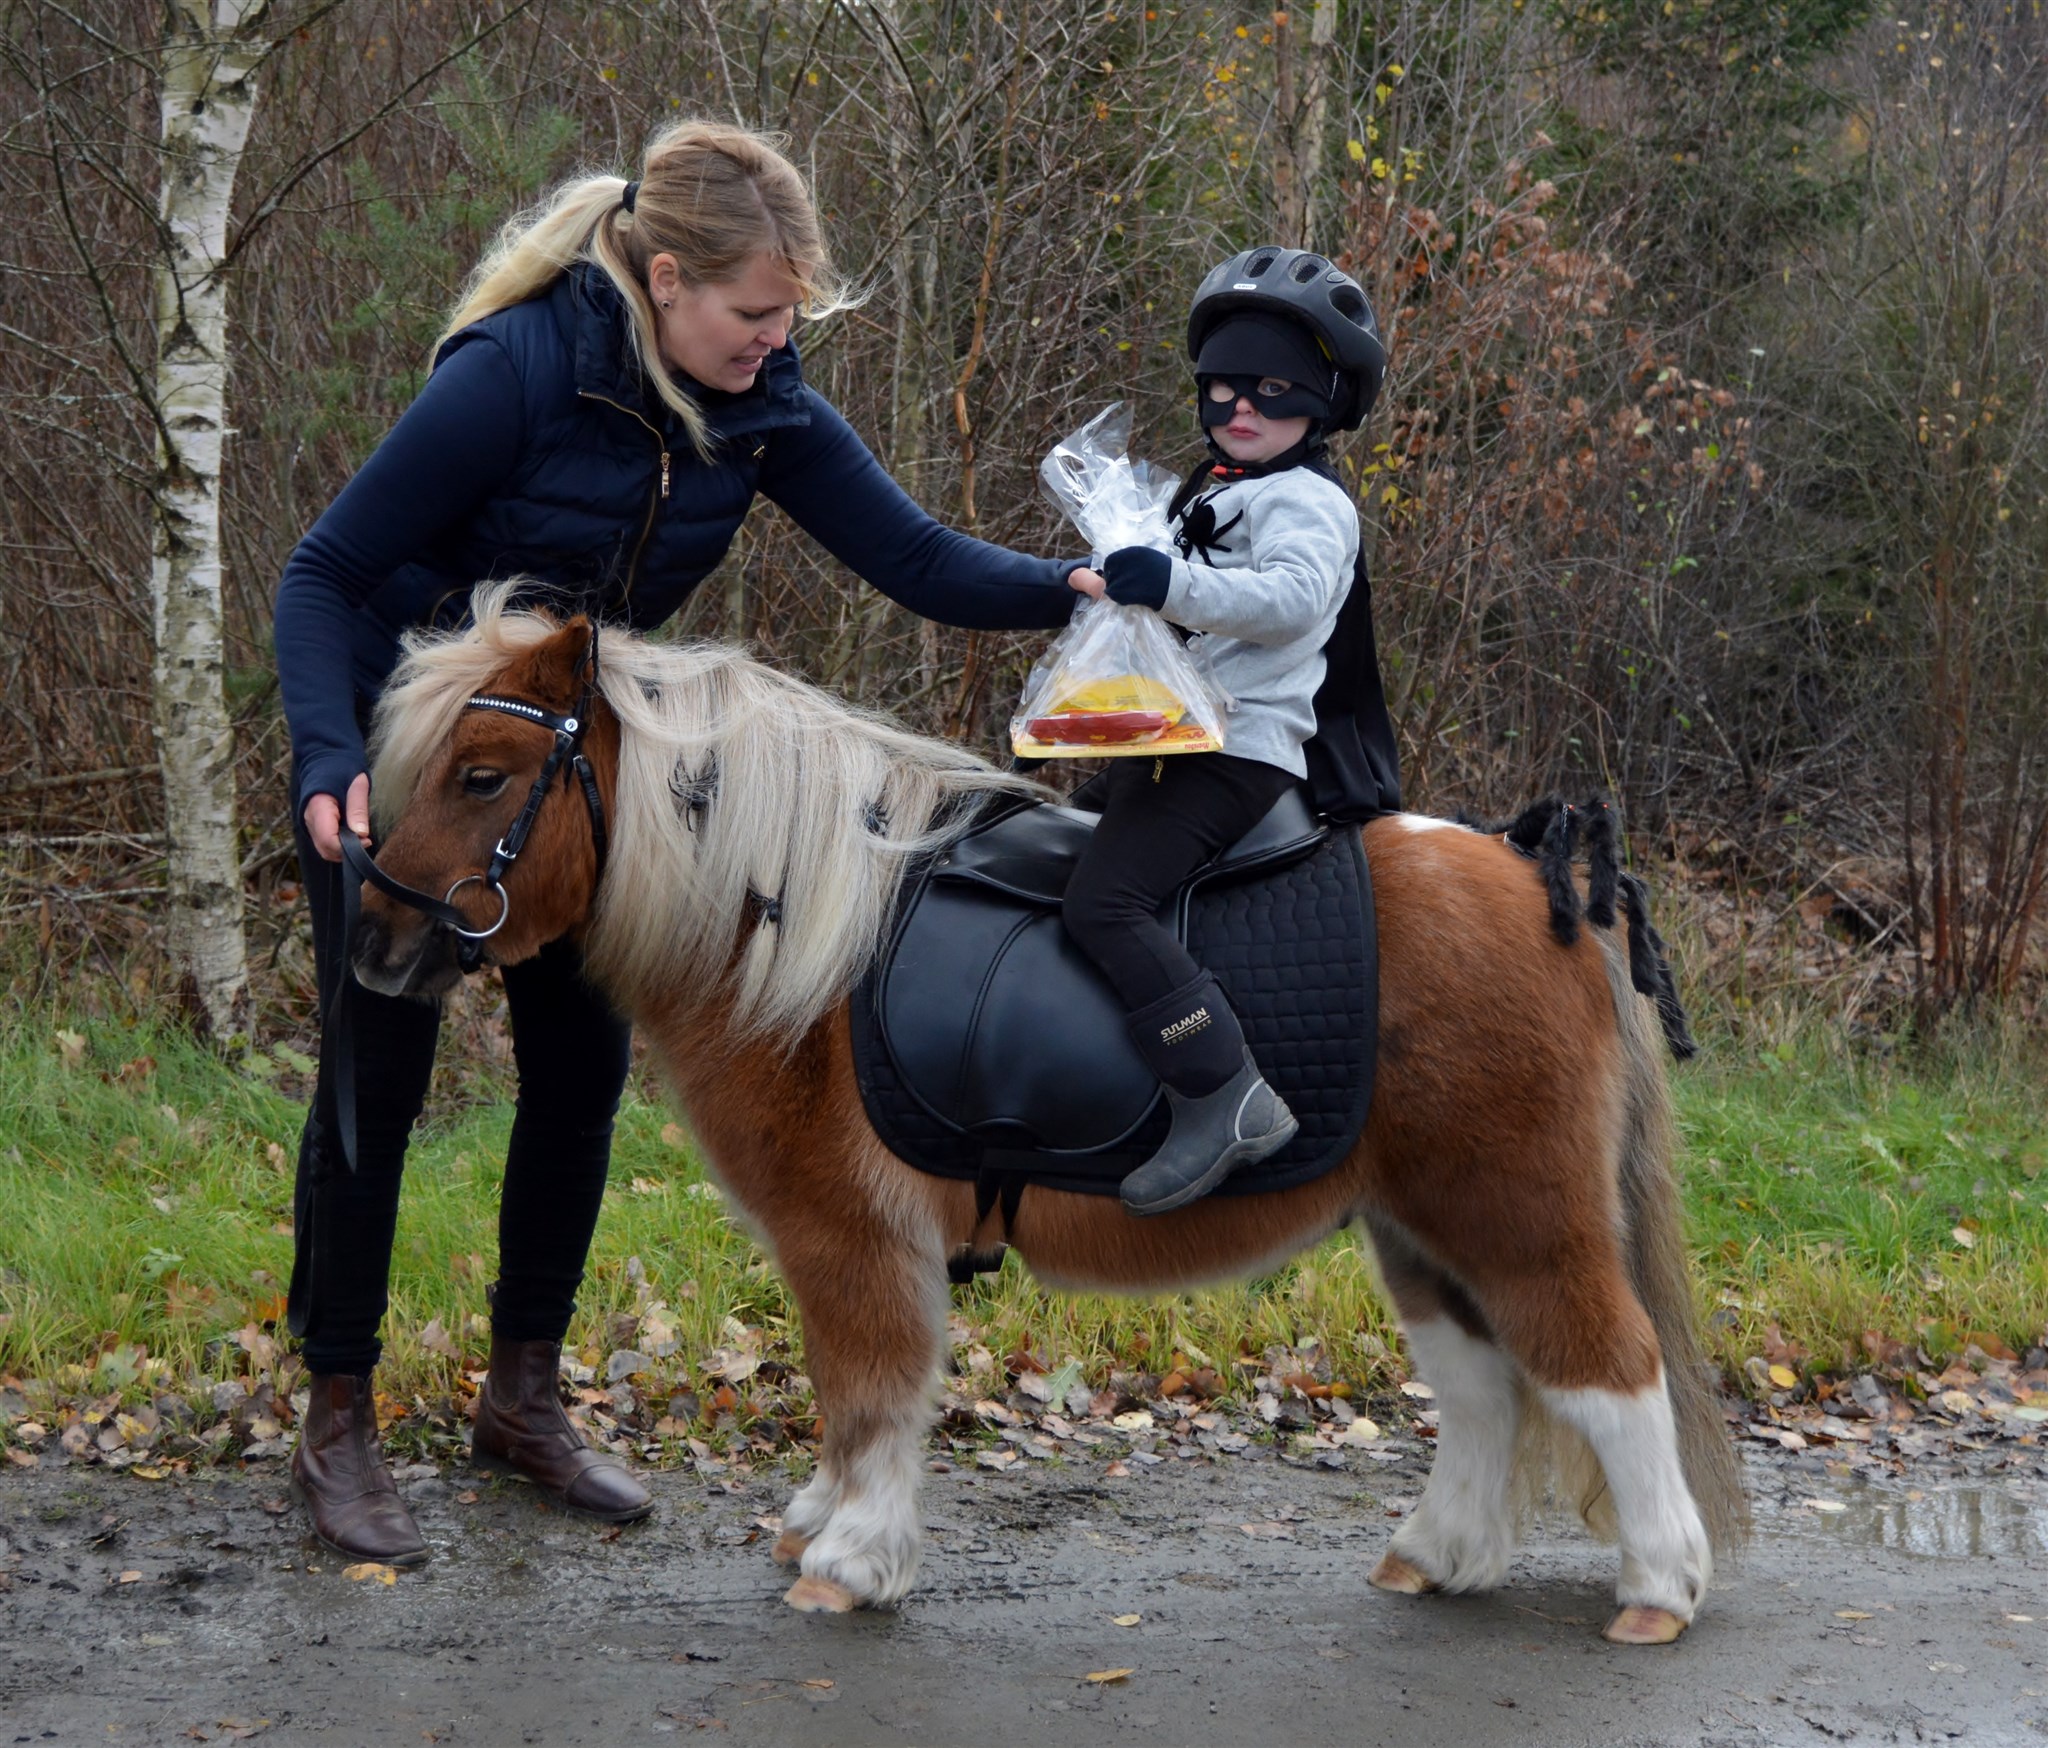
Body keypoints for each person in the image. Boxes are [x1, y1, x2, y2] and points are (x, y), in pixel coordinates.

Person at [273, 120, 1087, 1565]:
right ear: (663, 280)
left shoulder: (762, 402)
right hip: (415, 770)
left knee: (579, 1081)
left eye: (790, 318)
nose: (777, 342)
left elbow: (914, 560)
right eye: (756, 313)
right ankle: (337, 1415)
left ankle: (523, 1396)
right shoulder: (513, 371)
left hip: (582, 792)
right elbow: (324, 571)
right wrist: (333, 760)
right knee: (375, 1088)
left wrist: (1082, 586)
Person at [1061, 245, 1396, 1218]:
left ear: (1323, 402)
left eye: (1271, 390)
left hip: (1234, 751)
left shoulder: (1310, 503)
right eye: (1220, 389)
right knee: (1044, 861)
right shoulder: (1210, 491)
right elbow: (1167, 599)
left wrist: (1166, 582)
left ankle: (1223, 1088)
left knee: (1105, 902)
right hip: (1166, 737)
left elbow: (1288, 602)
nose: (1240, 406)